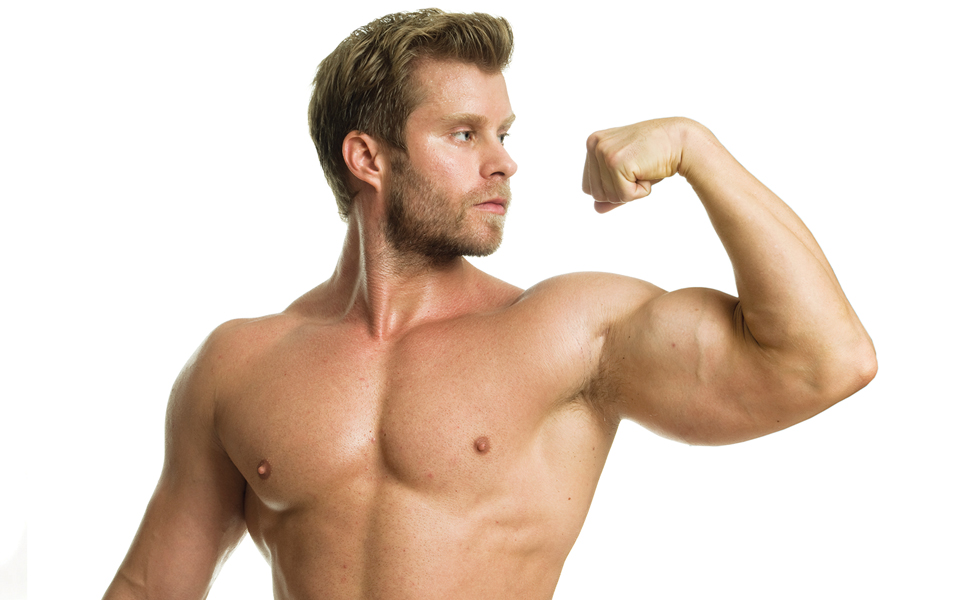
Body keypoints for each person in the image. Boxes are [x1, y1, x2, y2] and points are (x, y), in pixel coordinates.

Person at [102, 8, 876, 600]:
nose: (504, 162)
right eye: (464, 134)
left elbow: (826, 361)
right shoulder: (239, 364)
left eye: (502, 132)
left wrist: (695, 146)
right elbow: (149, 588)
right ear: (367, 157)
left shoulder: (568, 333)